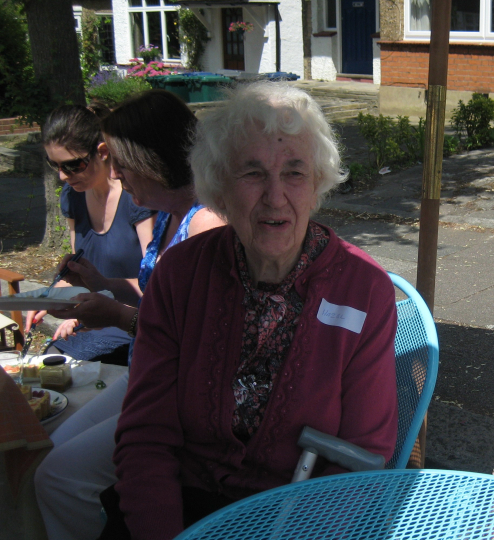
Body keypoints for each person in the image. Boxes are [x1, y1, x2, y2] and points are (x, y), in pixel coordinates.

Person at [102, 82, 399, 540]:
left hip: (298, 520)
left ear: (318, 182)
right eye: (253, 173)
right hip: (180, 511)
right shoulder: (180, 275)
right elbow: (146, 437)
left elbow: (361, 458)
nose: (276, 196)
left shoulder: (364, 290)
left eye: (295, 172)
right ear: (220, 186)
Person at [34, 90, 224, 540]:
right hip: (147, 375)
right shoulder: (167, 216)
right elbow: (153, 290)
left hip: (176, 393)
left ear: (152, 157)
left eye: (120, 160)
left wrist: (116, 316)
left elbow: (195, 342)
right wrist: (100, 283)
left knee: (58, 478)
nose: (114, 172)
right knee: (49, 449)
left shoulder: (206, 225)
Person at [27, 103, 155, 364]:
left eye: (73, 165)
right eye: (55, 165)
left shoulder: (135, 197)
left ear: (103, 152)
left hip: (133, 320)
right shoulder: (73, 197)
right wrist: (52, 297)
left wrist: (96, 300)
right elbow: (78, 273)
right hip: (94, 318)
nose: (63, 176)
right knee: (47, 367)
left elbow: (157, 284)